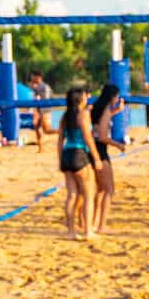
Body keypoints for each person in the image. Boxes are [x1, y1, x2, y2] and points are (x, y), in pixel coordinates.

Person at [58, 84, 102, 241]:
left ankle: (70, 231)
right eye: (85, 95)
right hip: (79, 153)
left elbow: (60, 139)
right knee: (89, 194)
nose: (87, 97)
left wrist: (60, 160)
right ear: (80, 99)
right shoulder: (83, 114)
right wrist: (96, 158)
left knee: (71, 195)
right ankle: (88, 231)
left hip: (67, 154)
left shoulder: (65, 116)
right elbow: (87, 137)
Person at [90, 82, 120, 233]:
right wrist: (117, 145)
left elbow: (100, 124)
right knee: (109, 189)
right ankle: (101, 225)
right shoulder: (106, 110)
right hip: (101, 151)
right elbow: (102, 136)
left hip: (93, 150)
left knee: (100, 188)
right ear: (113, 97)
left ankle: (94, 222)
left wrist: (115, 111)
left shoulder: (96, 108)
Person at [27, 72, 53, 151]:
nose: (32, 79)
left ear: (38, 77)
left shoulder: (44, 86)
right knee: (36, 126)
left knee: (47, 130)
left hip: (45, 110)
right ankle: (40, 148)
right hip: (38, 110)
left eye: (33, 77)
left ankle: (63, 132)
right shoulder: (36, 87)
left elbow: (45, 99)